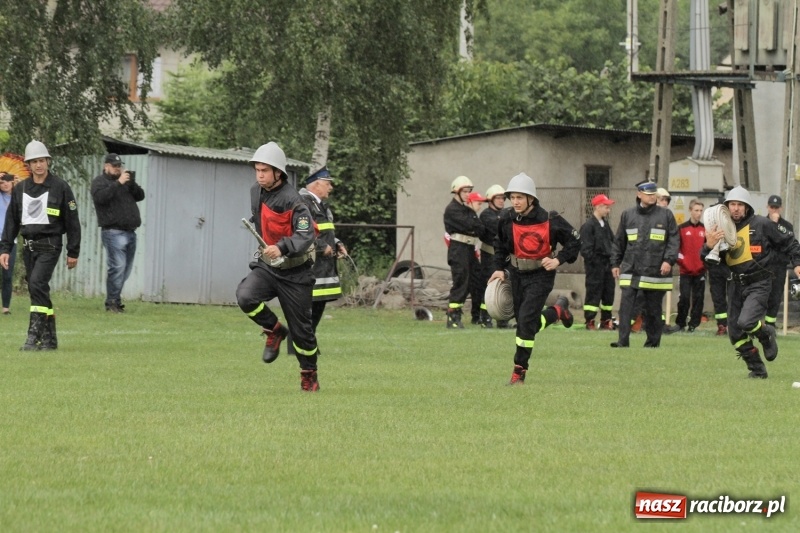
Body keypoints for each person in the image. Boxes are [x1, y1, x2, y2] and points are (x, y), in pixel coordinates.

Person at [235, 142, 321, 392]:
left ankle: (309, 374)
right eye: (257, 170)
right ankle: (274, 330)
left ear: (278, 173)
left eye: (264, 171)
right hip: (269, 267)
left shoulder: (296, 202)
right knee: (245, 296)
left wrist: (282, 247)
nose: (259, 175)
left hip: (296, 273)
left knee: (302, 332)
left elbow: (305, 236)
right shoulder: (255, 190)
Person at [488, 172, 578, 385]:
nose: (515, 202)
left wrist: (558, 260)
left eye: (520, 197)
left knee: (525, 321)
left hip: (541, 276)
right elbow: (499, 244)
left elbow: (575, 242)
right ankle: (557, 311)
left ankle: (519, 371)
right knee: (525, 323)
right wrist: (498, 268)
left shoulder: (551, 219)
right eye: (513, 197)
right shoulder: (506, 219)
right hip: (516, 274)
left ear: (531, 198)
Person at [703, 186, 800, 379]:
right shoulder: (719, 229)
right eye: (732, 205)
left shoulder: (763, 224)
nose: (736, 209)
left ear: (747, 207)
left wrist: (797, 263)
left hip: (759, 283)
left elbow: (790, 242)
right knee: (735, 335)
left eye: (740, 205)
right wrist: (708, 246)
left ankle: (766, 334)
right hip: (735, 285)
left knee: (746, 322)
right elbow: (707, 260)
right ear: (726, 207)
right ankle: (757, 370)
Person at [0, 140, 81, 350]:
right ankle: (49, 339)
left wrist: (74, 251)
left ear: (48, 161)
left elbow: (73, 221)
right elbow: (11, 222)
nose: (38, 165)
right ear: (29, 164)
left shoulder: (61, 187)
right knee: (39, 289)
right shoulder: (20, 189)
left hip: (51, 244)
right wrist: (5, 249)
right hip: (28, 246)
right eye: (34, 161)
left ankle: (33, 337)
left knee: (36, 283)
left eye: (42, 160)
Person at [610, 181, 679, 348]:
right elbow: (620, 241)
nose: (652, 197)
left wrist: (668, 261)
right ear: (639, 194)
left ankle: (652, 343)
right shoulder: (627, 215)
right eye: (649, 194)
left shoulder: (666, 215)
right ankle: (622, 341)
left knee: (653, 310)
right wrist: (615, 263)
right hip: (630, 268)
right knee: (625, 308)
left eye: (654, 194)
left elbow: (673, 240)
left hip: (655, 270)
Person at [90, 153, 145, 313]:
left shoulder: (125, 182)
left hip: (130, 232)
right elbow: (101, 198)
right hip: (113, 232)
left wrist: (131, 183)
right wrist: (118, 184)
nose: (117, 169)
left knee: (125, 270)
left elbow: (140, 196)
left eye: (119, 166)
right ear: (106, 166)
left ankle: (115, 299)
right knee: (118, 267)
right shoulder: (99, 182)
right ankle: (112, 302)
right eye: (114, 166)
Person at [298, 165, 346, 331]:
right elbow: (301, 232)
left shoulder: (320, 205)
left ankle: (307, 343)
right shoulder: (303, 203)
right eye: (328, 183)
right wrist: (321, 246)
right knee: (305, 311)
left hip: (322, 269)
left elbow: (324, 231)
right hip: (309, 268)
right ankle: (299, 345)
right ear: (317, 184)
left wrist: (337, 243)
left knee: (316, 309)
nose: (331, 187)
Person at [443, 175, 487, 329]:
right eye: (466, 191)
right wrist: (474, 223)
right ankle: (453, 316)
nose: (469, 194)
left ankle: (476, 315)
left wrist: (474, 223)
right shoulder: (452, 209)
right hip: (458, 249)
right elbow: (469, 225)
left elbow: (480, 229)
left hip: (469, 249)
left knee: (476, 280)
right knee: (461, 280)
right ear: (457, 192)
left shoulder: (467, 210)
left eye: (470, 191)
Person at [666, 199, 707, 333]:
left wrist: (703, 264)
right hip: (685, 271)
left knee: (698, 299)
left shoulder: (704, 229)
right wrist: (683, 262)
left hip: (700, 271)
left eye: (701, 210)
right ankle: (680, 323)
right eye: (696, 210)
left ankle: (693, 324)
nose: (699, 213)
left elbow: (708, 249)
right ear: (690, 210)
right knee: (683, 298)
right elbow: (676, 249)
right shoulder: (682, 228)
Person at [579, 193, 616, 330]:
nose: (608, 210)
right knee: (593, 293)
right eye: (606, 207)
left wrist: (613, 262)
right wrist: (595, 263)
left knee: (608, 293)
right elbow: (586, 249)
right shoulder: (589, 226)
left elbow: (612, 243)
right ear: (598, 207)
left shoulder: (605, 225)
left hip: (607, 266)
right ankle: (590, 320)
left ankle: (606, 320)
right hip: (595, 267)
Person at [478, 184, 510, 328]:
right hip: (489, 255)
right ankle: (485, 318)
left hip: (502, 256)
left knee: (503, 287)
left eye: (503, 198)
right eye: (498, 198)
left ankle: (502, 319)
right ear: (490, 200)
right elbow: (497, 227)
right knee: (489, 286)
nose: (502, 201)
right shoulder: (486, 215)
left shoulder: (504, 214)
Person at [764, 194, 795, 328]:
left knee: (775, 297)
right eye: (772, 207)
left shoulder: (787, 226)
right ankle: (755, 325)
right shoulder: (761, 223)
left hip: (779, 267)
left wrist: (776, 226)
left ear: (781, 208)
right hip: (763, 266)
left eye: (777, 207)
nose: (774, 210)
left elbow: (787, 243)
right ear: (767, 207)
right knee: (760, 295)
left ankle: (770, 325)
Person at [1, 172, 16, 314]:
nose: (4, 184)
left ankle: (5, 307)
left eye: (7, 180)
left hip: (11, 242)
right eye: (1, 181)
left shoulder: (18, 199)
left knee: (7, 274)